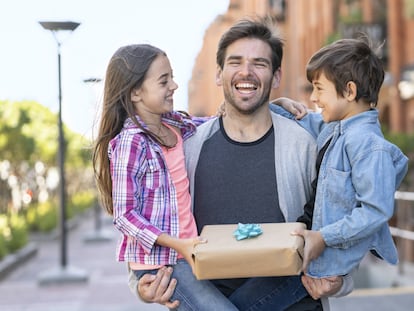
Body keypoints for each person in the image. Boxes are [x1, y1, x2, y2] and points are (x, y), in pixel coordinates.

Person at [129, 17, 354, 310]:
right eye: (235, 62)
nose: (246, 72)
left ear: (275, 77)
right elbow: (145, 216)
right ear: (219, 74)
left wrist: (341, 280)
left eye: (259, 63)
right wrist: (141, 287)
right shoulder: (187, 149)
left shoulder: (304, 145)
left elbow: (341, 222)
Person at [92, 43, 240, 310]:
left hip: (189, 251)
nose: (174, 85)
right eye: (164, 81)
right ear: (135, 91)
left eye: (171, 77)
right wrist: (178, 245)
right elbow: (124, 216)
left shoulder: (176, 125)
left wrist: (277, 107)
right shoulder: (131, 142)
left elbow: (222, 121)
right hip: (162, 262)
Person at [272, 37, 409, 280]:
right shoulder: (334, 127)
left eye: (319, 88)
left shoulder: (369, 148)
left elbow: (375, 212)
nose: (313, 97)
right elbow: (298, 118)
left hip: (326, 262)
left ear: (349, 91)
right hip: (309, 250)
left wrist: (323, 237)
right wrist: (275, 104)